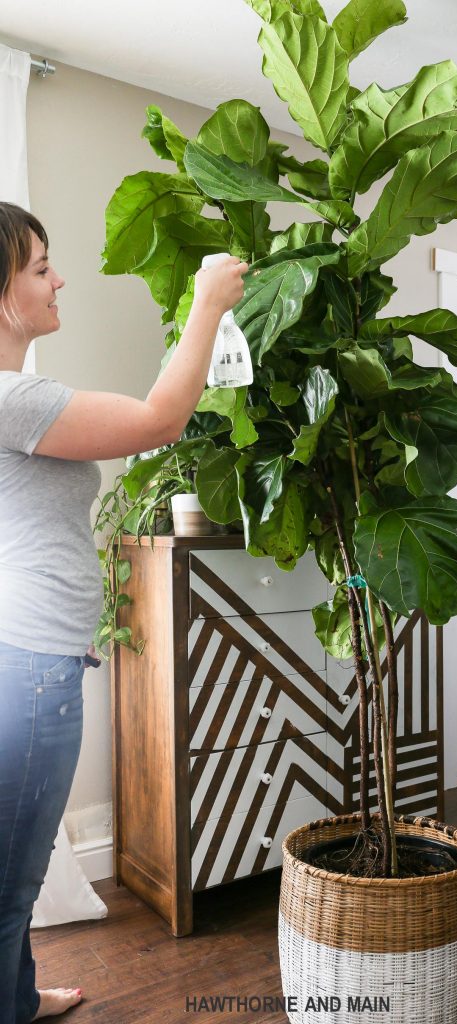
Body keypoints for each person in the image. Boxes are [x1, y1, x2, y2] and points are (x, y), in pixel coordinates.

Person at [0, 201, 248, 1022]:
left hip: (31, 658)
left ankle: (19, 996)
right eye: (41, 267)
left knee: (15, 873)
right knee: (11, 879)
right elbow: (157, 422)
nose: (58, 277)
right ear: (3, 291)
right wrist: (208, 302)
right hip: (30, 667)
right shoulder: (12, 397)